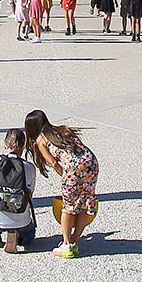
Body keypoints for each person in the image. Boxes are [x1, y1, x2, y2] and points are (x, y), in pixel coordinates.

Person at [25, 110, 99, 258]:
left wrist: (66, 177)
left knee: (68, 207)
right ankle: (74, 241)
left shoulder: (41, 139)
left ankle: (66, 244)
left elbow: (53, 163)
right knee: (84, 203)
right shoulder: (62, 129)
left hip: (73, 169)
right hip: (91, 163)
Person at [0, 128, 38, 253]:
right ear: (23, 146)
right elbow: (29, 197)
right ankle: (18, 234)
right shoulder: (29, 167)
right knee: (29, 235)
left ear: (5, 144)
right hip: (21, 220)